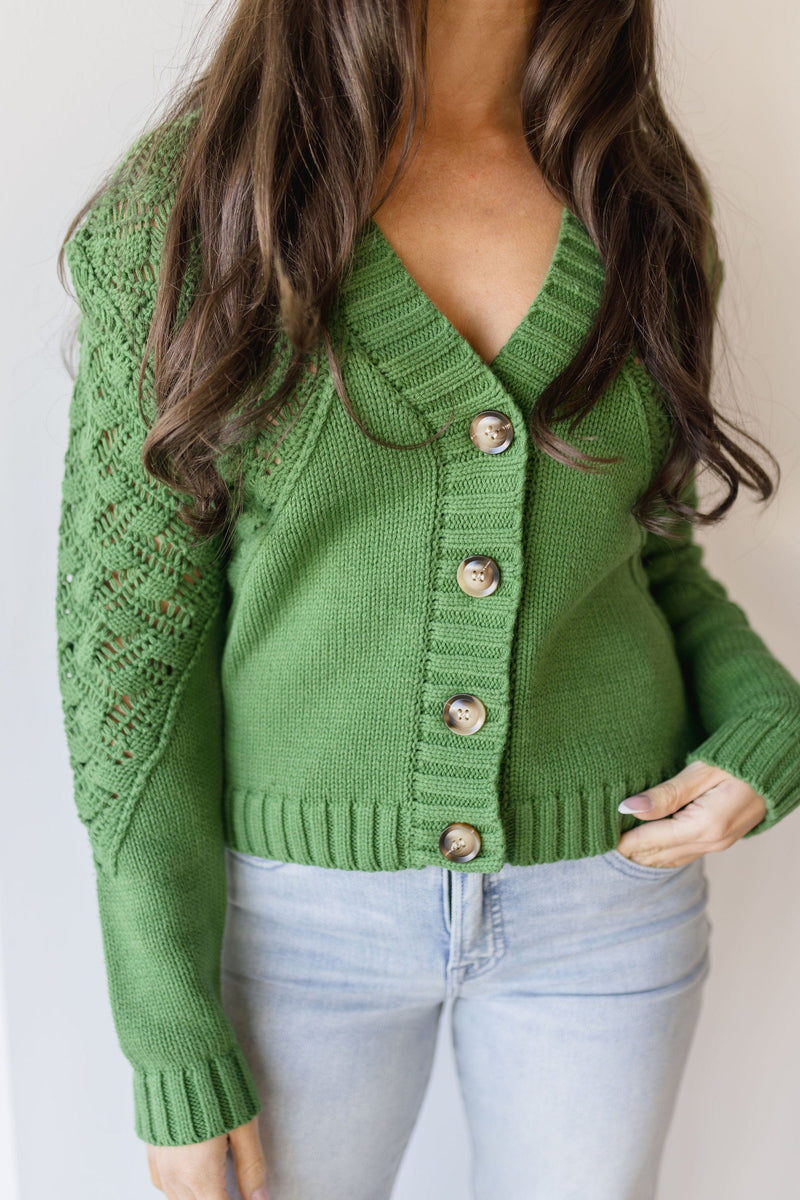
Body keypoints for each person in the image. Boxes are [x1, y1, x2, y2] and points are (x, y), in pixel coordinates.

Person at [54, 0, 800, 1197]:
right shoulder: (197, 206)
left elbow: (647, 549)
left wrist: (766, 719)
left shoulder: (638, 197)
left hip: (607, 903)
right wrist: (170, 1035)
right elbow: (127, 672)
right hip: (292, 931)